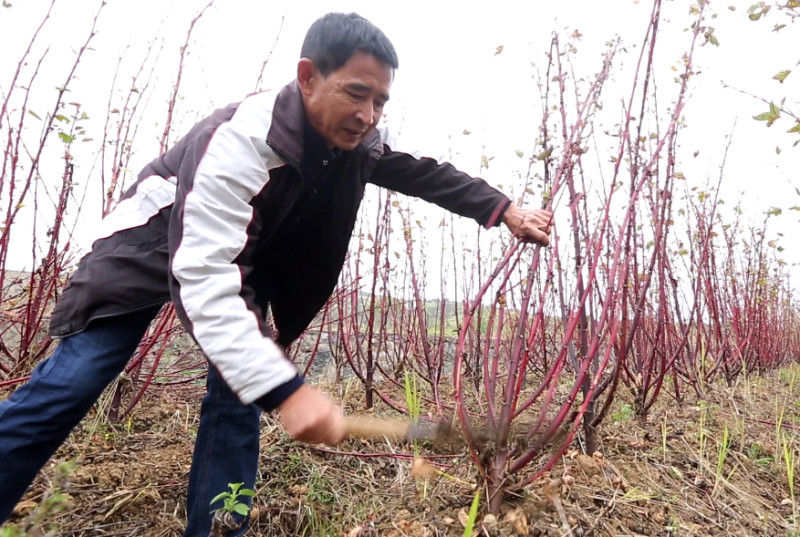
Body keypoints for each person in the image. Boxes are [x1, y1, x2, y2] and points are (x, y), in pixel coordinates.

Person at [0, 12, 552, 536]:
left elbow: (420, 172)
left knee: (237, 397)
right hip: (143, 248)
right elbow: (205, 274)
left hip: (247, 256)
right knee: (74, 381)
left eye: (380, 101)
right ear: (308, 77)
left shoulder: (351, 143)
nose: (368, 115)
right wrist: (287, 391)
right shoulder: (241, 140)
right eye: (356, 93)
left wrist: (503, 209)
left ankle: (218, 528)